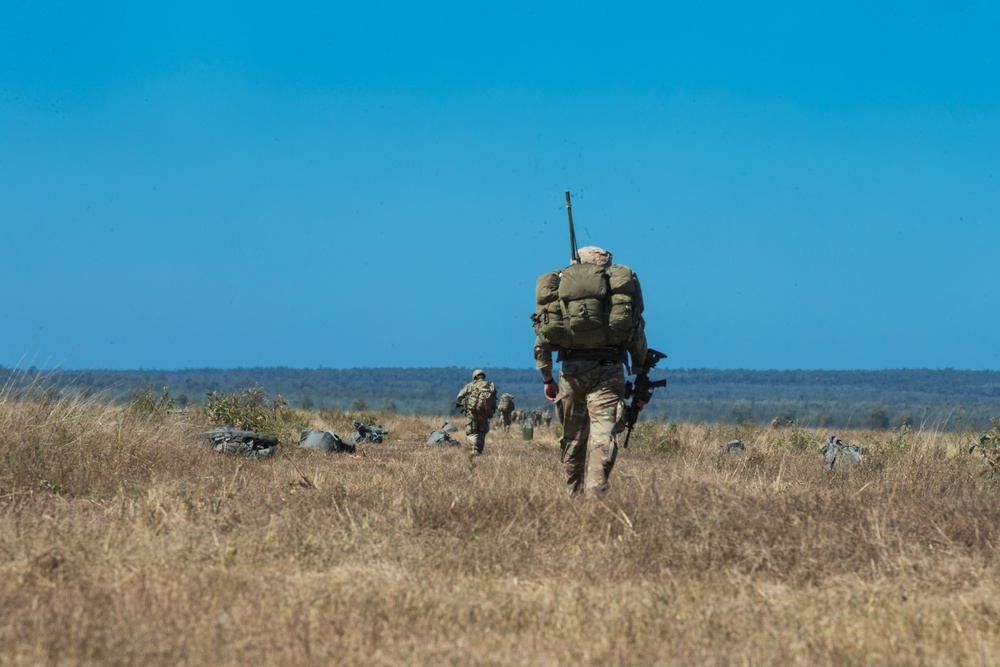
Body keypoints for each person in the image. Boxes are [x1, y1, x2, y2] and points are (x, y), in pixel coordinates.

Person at [532, 245, 649, 496]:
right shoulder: (616, 295)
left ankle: (572, 494)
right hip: (609, 371)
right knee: (603, 436)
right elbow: (636, 335)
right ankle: (596, 494)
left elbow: (542, 340)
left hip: (571, 373)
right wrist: (640, 373)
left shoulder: (562, 296)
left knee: (573, 438)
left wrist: (547, 378)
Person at [454, 369, 497, 455]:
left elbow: (459, 397)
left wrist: (463, 403)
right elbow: (494, 400)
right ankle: (479, 451)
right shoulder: (490, 385)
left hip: (472, 412)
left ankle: (474, 450)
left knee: (472, 432)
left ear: (474, 377)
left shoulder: (471, 385)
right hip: (485, 413)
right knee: (482, 432)